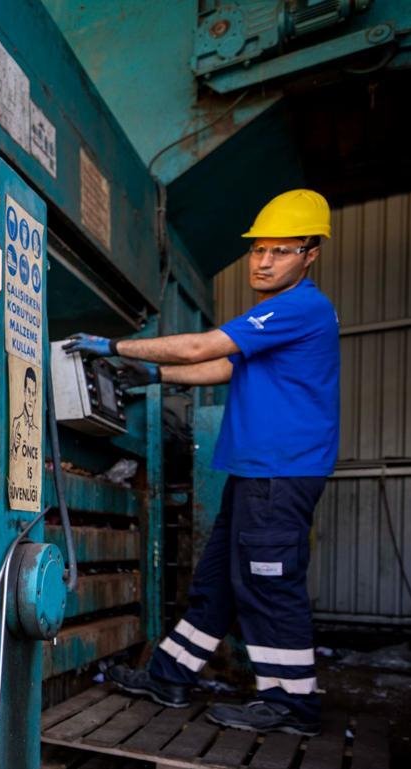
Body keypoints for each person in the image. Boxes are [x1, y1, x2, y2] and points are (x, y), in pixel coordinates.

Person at [63, 189, 339, 736]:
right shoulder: (277, 314)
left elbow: (199, 349)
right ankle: (170, 676)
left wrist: (115, 349)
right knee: (217, 579)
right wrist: (156, 376)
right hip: (256, 473)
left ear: (310, 254)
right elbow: (225, 370)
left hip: (280, 474)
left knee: (269, 582)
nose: (263, 262)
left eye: (279, 251)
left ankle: (291, 704)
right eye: (258, 250)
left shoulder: (300, 307)